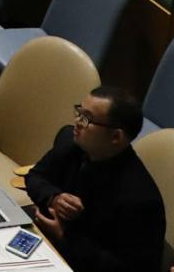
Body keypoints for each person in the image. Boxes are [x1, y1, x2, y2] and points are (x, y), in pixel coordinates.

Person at [20, 90, 165, 272]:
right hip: (46, 246)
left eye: (87, 119)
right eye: (79, 112)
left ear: (116, 137)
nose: (77, 122)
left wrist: (65, 237)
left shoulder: (141, 200)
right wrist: (53, 198)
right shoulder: (70, 142)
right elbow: (35, 176)